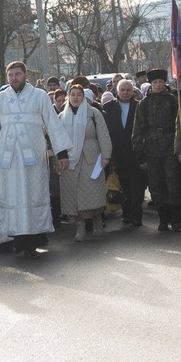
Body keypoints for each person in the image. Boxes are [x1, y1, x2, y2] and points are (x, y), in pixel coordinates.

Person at [0, 60, 67, 255]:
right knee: (11, 196)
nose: (14, 78)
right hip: (8, 160)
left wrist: (61, 154)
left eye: (18, 74)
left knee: (33, 196)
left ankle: (32, 243)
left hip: (33, 159)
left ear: (26, 75)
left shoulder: (40, 96)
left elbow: (53, 124)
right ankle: (17, 240)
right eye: (11, 75)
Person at [51, 79, 112, 242]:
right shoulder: (61, 116)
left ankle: (97, 222)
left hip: (90, 158)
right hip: (69, 161)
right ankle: (80, 228)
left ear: (83, 97)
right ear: (68, 97)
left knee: (92, 193)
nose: (76, 98)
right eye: (73, 95)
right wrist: (57, 160)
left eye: (79, 95)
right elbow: (57, 140)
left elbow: (103, 135)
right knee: (72, 197)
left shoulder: (93, 113)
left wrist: (106, 156)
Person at [133, 68, 181, 231]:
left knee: (173, 182)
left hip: (170, 146)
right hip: (152, 149)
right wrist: (139, 150)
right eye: (155, 82)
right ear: (150, 84)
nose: (158, 85)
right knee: (156, 184)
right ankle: (163, 217)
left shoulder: (172, 100)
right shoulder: (144, 104)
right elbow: (138, 128)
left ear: (165, 83)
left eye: (161, 82)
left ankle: (176, 217)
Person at [102, 76, 145, 229]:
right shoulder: (108, 107)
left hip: (135, 153)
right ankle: (126, 213)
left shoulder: (139, 106)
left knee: (137, 186)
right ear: (116, 91)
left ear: (133, 91)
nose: (125, 93)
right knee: (122, 186)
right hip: (117, 153)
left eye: (128, 90)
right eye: (122, 90)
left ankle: (137, 215)